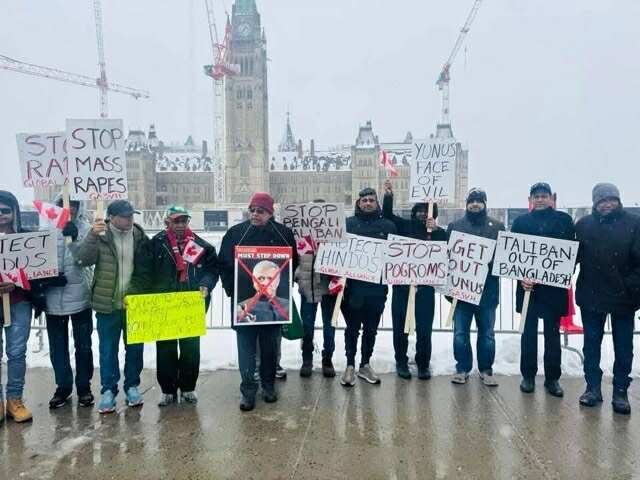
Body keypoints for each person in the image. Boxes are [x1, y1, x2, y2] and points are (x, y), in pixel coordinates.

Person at [128, 205, 218, 407]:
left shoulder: (201, 245)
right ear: (167, 222)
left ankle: (188, 388)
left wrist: (205, 284)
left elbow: (212, 269)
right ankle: (167, 390)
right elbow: (144, 272)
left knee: (190, 348)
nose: (180, 224)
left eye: (184, 220)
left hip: (190, 303)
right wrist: (136, 294)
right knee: (165, 348)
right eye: (176, 221)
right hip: (164, 303)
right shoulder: (155, 244)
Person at [218, 192, 298, 411]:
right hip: (244, 303)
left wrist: (284, 287)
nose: (255, 214)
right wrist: (232, 290)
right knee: (246, 350)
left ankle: (268, 386)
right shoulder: (236, 233)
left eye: (260, 211)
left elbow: (293, 262)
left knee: (270, 348)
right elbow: (224, 263)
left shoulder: (283, 233)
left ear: (270, 213)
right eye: (252, 210)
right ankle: (248, 390)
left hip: (273, 306)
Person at [74, 200, 148, 414]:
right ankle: (108, 390)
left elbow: (146, 267)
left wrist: (137, 291)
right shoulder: (100, 235)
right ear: (112, 217)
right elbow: (83, 260)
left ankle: (132, 386)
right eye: (124, 216)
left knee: (135, 349)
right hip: (107, 304)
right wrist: (92, 235)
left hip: (134, 304)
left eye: (131, 215)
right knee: (108, 350)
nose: (129, 219)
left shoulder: (139, 235)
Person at [575, 183, 640, 414]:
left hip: (623, 298)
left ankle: (620, 391)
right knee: (591, 345)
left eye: (611, 199)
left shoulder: (634, 223)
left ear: (619, 201)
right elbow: (571, 257)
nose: (607, 204)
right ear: (595, 203)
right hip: (591, 295)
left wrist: (629, 286)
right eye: (602, 200)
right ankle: (592, 387)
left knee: (623, 347)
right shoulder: (583, 225)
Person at [512, 182, 575, 397]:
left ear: (551, 198)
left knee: (552, 336)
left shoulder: (564, 220)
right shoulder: (520, 222)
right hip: (528, 288)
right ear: (530, 199)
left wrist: (560, 272)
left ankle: (552, 379)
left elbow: (571, 254)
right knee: (528, 335)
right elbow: (512, 255)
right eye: (536, 196)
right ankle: (528, 376)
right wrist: (521, 277)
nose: (540, 199)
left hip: (553, 290)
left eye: (544, 196)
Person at [382, 179, 445, 380]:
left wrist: (436, 230)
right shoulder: (404, 226)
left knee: (424, 329)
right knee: (400, 328)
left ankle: (423, 364)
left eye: (426, 212)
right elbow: (387, 216)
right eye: (419, 211)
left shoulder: (437, 233)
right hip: (402, 288)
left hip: (425, 290)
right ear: (414, 212)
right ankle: (401, 361)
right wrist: (388, 197)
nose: (422, 214)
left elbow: (446, 250)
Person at [447, 188, 505, 386]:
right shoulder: (455, 226)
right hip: (462, 292)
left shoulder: (497, 227)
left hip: (487, 292)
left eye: (479, 201)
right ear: (467, 204)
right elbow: (448, 256)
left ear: (485, 204)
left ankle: (486, 369)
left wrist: (487, 264)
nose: (475, 204)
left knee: (487, 334)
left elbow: (503, 258)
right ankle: (462, 368)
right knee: (460, 333)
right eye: (471, 201)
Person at [340, 187, 396, 387]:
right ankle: (349, 364)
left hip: (377, 288)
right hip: (352, 288)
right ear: (359, 203)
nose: (368, 203)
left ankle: (365, 363)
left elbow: (395, 254)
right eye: (364, 200)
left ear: (377, 203)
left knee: (371, 329)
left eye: (371, 200)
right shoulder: (348, 224)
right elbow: (336, 250)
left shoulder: (388, 226)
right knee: (352, 328)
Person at [44, 194, 95, 409]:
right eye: (65, 203)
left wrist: (74, 241)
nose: (70, 208)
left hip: (80, 296)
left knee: (83, 346)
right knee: (58, 347)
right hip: (52, 297)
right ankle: (63, 386)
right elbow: (38, 259)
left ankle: (84, 386)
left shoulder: (86, 229)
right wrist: (45, 280)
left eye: (74, 204)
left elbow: (88, 260)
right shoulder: (46, 228)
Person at [0, 191, 35, 423]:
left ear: (14, 212)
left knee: (17, 352)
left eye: (6, 210)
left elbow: (38, 270)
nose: (1, 215)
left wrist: (17, 281)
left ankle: (15, 399)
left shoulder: (26, 239)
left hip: (19, 302)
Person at [295, 199, 336, 378]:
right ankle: (307, 359)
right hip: (307, 286)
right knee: (307, 326)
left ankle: (328, 359)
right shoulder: (300, 236)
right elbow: (292, 259)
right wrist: (297, 275)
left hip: (329, 288)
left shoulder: (335, 236)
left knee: (329, 326)